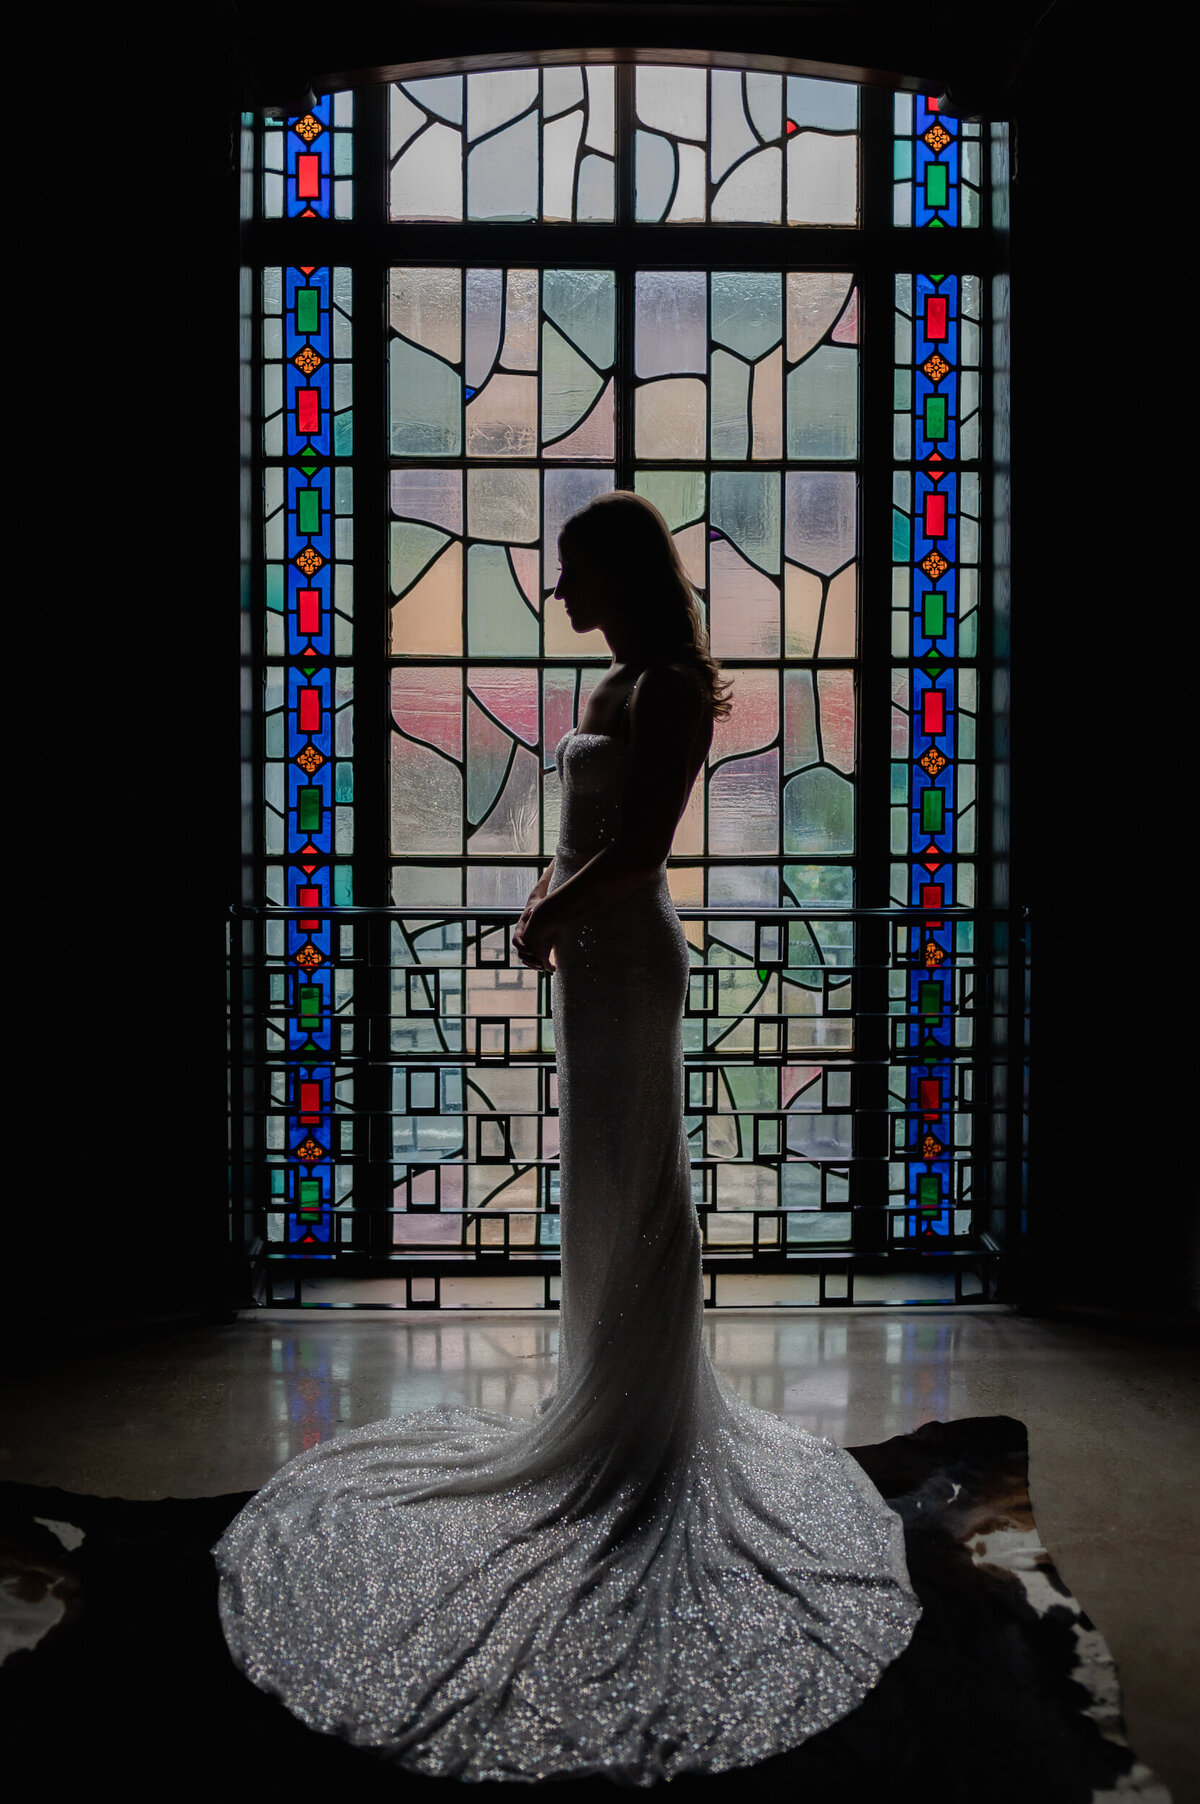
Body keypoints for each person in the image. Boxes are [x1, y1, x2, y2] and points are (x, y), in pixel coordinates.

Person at [215, 492, 919, 1783]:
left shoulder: (664, 693)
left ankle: (637, 1430)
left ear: (622, 576)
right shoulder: (618, 682)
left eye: (571, 572)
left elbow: (641, 850)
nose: (556, 591)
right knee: (592, 1184)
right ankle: (593, 1392)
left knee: (631, 1175)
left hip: (621, 961)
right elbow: (586, 836)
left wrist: (548, 921)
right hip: (588, 962)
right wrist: (546, 895)